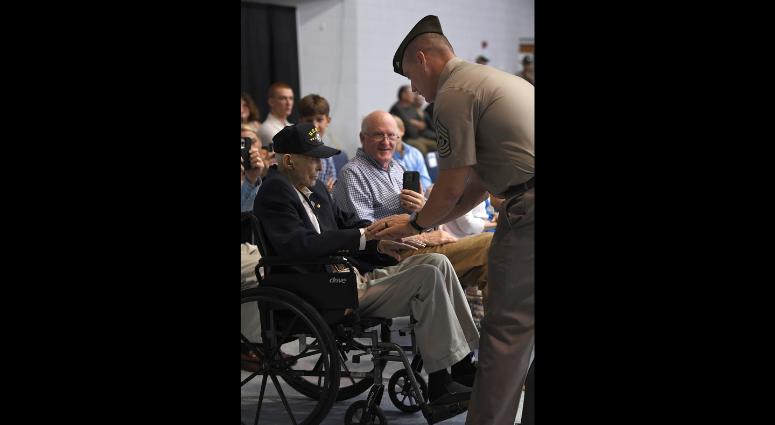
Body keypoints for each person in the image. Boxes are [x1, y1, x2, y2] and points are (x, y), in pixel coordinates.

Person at [369, 15, 535, 425]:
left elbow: (450, 186)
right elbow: (476, 185)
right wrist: (423, 220)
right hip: (521, 200)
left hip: (527, 211)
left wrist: (414, 224)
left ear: (423, 59)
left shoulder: (452, 94)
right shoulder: (492, 80)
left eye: (411, 76)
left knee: (504, 334)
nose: (415, 90)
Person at [253, 123, 480, 409]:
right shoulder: (274, 193)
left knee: (438, 261)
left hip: (348, 276)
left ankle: (462, 365)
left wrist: (382, 236)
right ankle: (440, 382)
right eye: (313, 159)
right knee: (427, 276)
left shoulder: (315, 188)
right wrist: (364, 237)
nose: (321, 167)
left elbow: (348, 224)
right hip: (323, 290)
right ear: (288, 161)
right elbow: (298, 245)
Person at [334, 110, 492, 295]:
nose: (386, 142)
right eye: (378, 135)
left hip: (421, 246)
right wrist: (422, 237)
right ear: (363, 137)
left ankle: (497, 324)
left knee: (490, 269)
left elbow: (430, 225)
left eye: (391, 135)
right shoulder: (353, 174)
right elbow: (366, 236)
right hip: (393, 256)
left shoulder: (398, 168)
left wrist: (423, 210)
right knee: (490, 243)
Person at [298, 94, 338, 196]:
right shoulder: (295, 154)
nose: (315, 126)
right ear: (301, 121)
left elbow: (331, 190)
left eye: (319, 120)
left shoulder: (328, 156)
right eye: (309, 120)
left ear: (328, 121)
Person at [389, 85, 437, 156]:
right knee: (422, 149)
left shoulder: (412, 107)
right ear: (403, 95)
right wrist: (416, 125)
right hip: (405, 139)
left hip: (417, 137)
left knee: (436, 145)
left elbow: (423, 125)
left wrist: (414, 123)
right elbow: (409, 129)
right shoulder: (397, 108)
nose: (414, 96)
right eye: (411, 94)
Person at [391, 114, 432, 191]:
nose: (387, 136)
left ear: (402, 131)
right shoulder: (383, 157)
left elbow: (425, 183)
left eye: (391, 132)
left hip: (418, 198)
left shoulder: (415, 153)